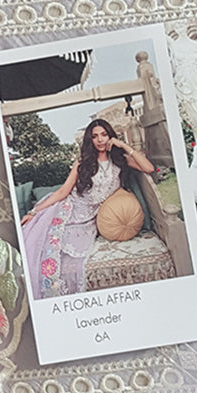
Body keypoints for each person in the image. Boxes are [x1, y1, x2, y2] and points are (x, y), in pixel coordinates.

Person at [20, 118, 154, 300]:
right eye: (95, 136)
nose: (100, 140)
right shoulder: (83, 162)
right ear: (90, 140)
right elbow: (63, 191)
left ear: (110, 136)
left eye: (104, 135)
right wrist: (34, 212)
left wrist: (123, 145)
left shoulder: (120, 161)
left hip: (89, 219)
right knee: (44, 246)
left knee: (73, 251)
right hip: (69, 209)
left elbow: (148, 168)